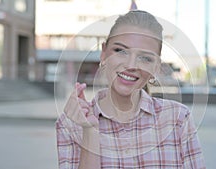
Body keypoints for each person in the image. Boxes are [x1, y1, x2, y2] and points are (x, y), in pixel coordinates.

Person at [56, 10, 206, 169]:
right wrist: (90, 131)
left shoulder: (178, 119)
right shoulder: (70, 125)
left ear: (156, 67)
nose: (131, 65)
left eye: (145, 58)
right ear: (104, 53)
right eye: (121, 51)